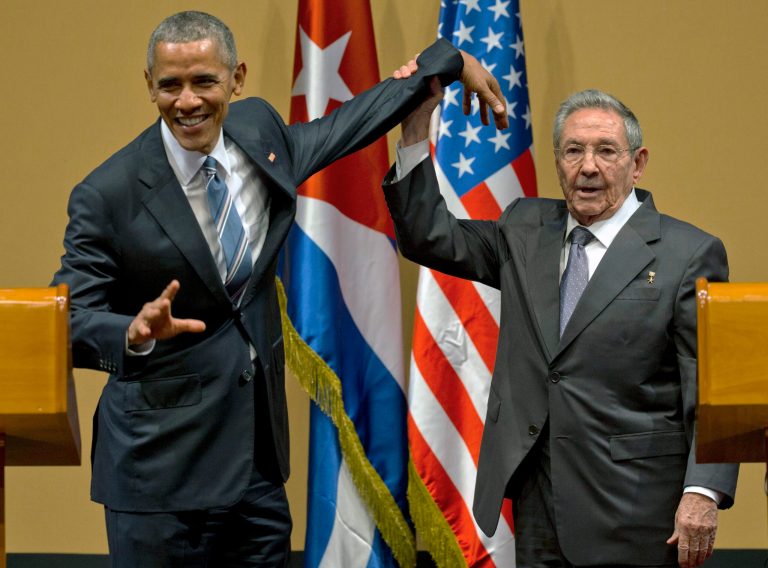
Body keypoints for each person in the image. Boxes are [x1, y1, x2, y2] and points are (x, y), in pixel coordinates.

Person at [51, 11, 506, 567]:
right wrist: (134, 332)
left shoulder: (260, 134)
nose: (186, 101)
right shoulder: (107, 193)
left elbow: (350, 124)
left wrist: (449, 61)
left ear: (236, 79)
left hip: (256, 472)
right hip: (159, 481)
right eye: (169, 85)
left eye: (204, 82)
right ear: (149, 84)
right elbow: (67, 320)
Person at [382, 77, 738, 568]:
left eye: (606, 151)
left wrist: (704, 491)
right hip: (539, 508)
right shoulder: (525, 229)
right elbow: (427, 236)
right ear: (558, 163)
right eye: (573, 151)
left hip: (637, 511)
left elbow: (722, 387)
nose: (588, 167)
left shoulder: (693, 252)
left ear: (637, 164)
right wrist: (417, 126)